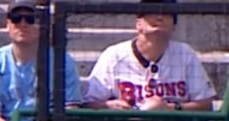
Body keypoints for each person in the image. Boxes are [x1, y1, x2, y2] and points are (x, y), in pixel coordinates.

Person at [0, 0, 82, 121]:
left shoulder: (62, 62)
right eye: (16, 18)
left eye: (30, 18)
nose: (23, 24)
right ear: (8, 24)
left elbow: (70, 108)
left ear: (43, 25)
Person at [83, 0, 214, 112]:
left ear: (174, 25)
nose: (159, 18)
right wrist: (108, 106)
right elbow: (89, 103)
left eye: (166, 14)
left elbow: (205, 104)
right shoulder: (114, 55)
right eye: (152, 12)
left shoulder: (185, 54)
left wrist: (170, 108)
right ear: (138, 23)